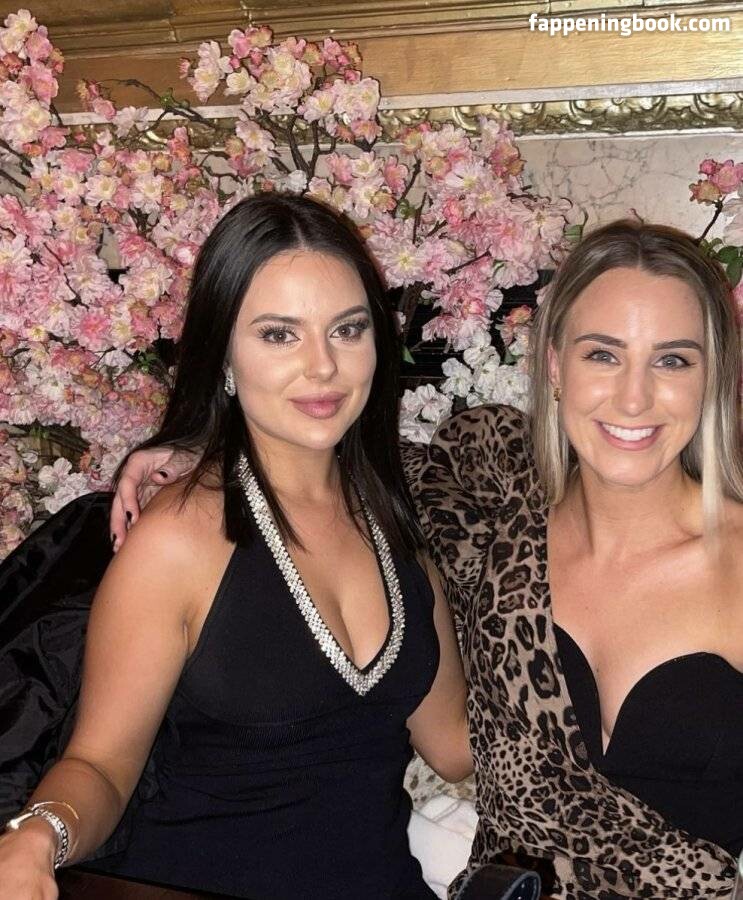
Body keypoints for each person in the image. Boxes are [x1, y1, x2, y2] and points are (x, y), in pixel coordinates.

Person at [112, 220, 743, 899]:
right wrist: (205, 448)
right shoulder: (492, 525)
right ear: (556, 366)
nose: (633, 398)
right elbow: (331, 464)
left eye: (673, 361)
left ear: (713, 376)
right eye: (602, 355)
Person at [0, 194, 473, 900]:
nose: (322, 366)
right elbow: (100, 765)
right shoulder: (177, 541)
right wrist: (39, 836)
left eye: (346, 330)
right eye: (279, 335)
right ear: (223, 353)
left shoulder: (394, 524)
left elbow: (455, 746)